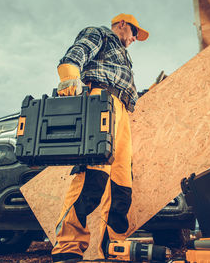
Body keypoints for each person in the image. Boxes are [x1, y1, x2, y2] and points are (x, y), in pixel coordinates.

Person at [51, 13, 149, 262]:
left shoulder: (124, 56)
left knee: (122, 185)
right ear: (123, 25)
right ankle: (68, 249)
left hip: (122, 112)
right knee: (93, 177)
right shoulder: (101, 33)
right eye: (135, 33)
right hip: (100, 103)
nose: (135, 39)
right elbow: (76, 53)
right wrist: (69, 77)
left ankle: (115, 248)